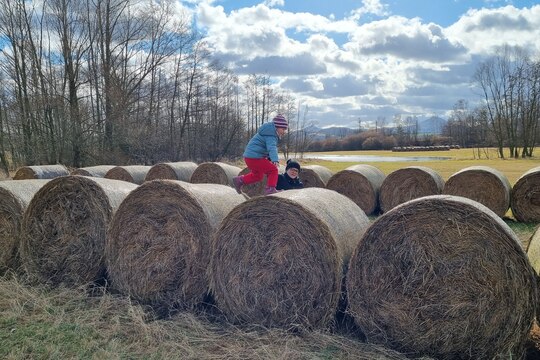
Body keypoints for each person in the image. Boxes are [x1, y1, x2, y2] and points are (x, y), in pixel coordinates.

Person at [233, 114, 288, 195]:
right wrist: (274, 159)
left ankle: (240, 180)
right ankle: (271, 189)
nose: (284, 131)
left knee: (258, 176)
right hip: (254, 157)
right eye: (283, 129)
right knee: (273, 170)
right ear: (277, 127)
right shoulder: (271, 135)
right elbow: (271, 148)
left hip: (250, 157)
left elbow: (264, 148)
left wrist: (269, 157)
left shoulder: (267, 132)